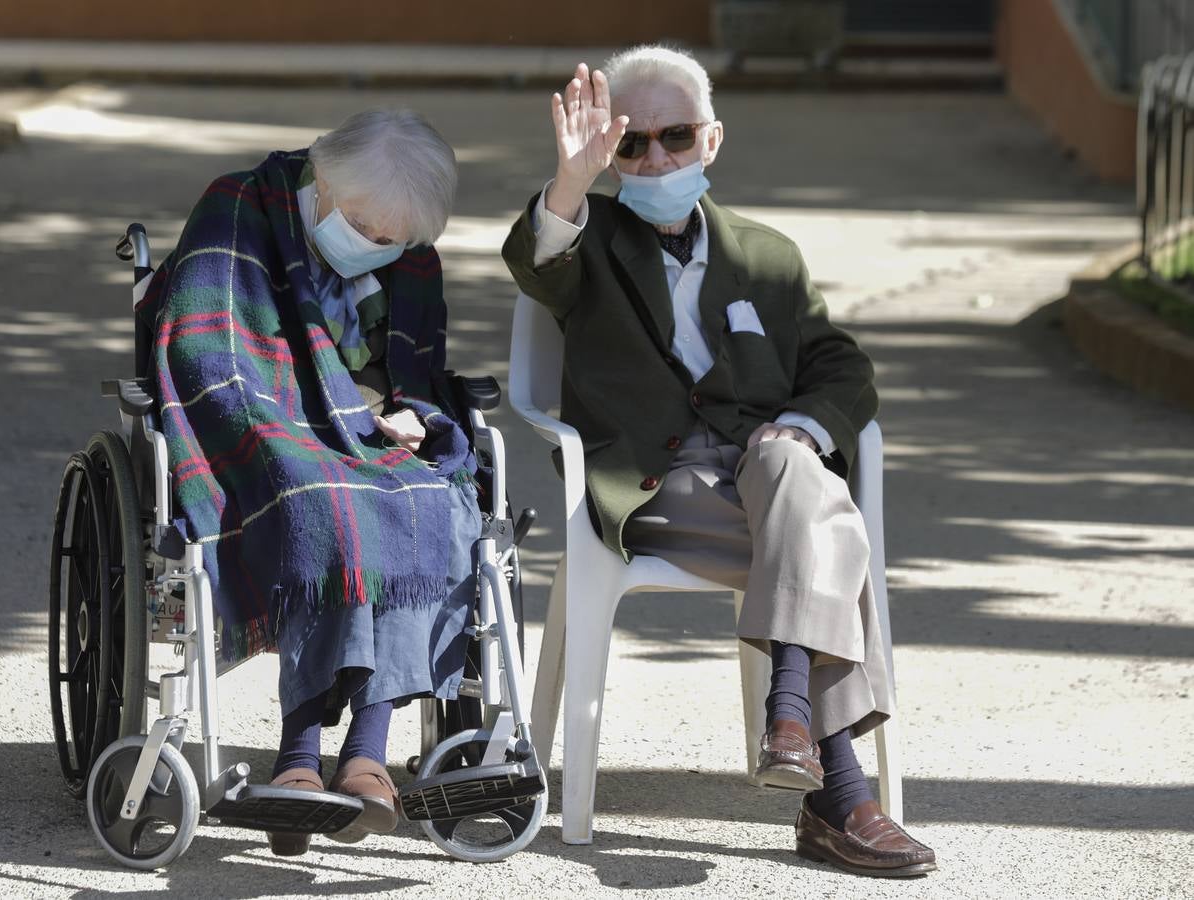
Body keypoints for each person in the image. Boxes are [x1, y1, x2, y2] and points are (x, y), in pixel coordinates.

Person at [502, 46, 936, 878]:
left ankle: (794, 728)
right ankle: (837, 787)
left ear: (712, 141)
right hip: (654, 487)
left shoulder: (768, 255)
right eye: (632, 144)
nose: (655, 158)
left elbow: (841, 366)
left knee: (796, 474)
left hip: (765, 482)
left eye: (676, 136)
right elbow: (536, 257)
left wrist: (804, 425)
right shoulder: (589, 244)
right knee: (830, 538)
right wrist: (571, 178)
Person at [147, 109, 480, 856]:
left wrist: (408, 412)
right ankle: (298, 762)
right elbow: (207, 350)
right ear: (322, 183)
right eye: (367, 229)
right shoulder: (237, 207)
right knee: (325, 502)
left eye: (396, 242)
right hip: (261, 416)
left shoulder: (407, 247)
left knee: (426, 499)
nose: (380, 249)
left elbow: (417, 374)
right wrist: (322, 423)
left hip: (364, 431)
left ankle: (367, 758)